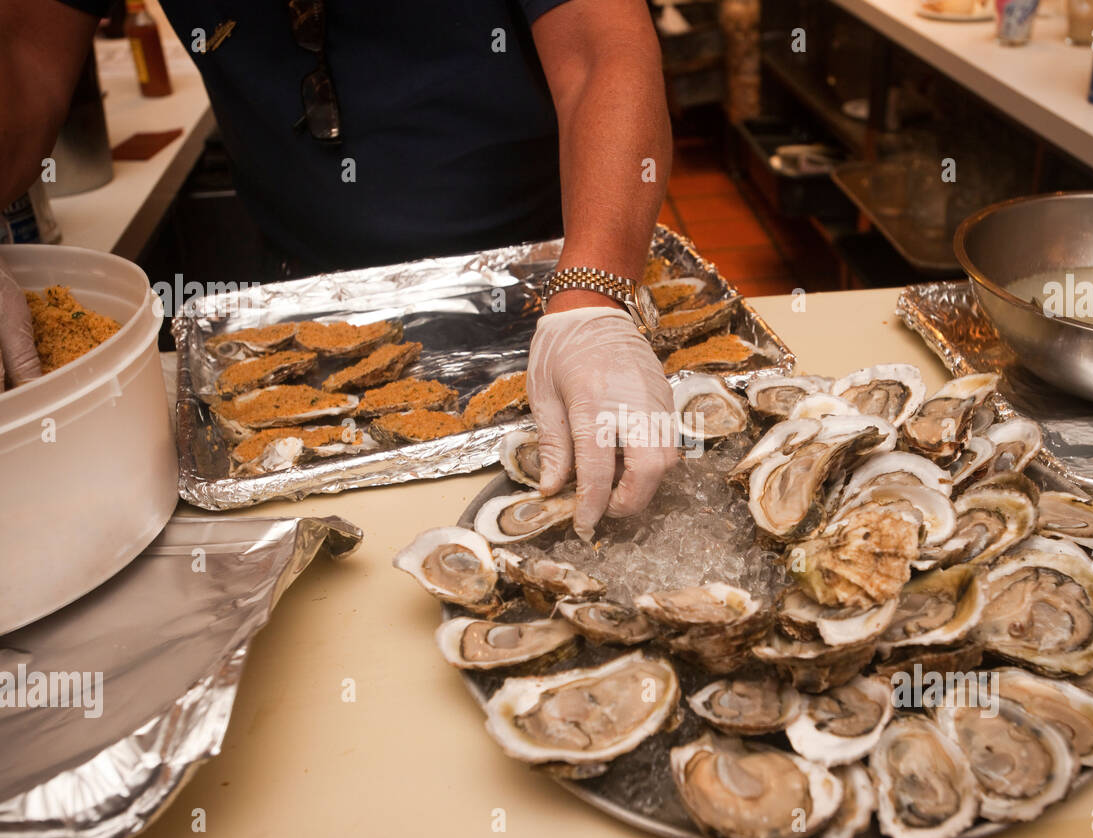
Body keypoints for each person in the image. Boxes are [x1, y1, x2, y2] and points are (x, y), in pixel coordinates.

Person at [0, 0, 679, 538]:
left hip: (555, 271)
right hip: (299, 295)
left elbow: (602, 52)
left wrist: (592, 291)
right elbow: (24, 60)